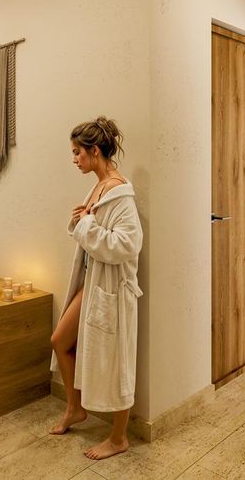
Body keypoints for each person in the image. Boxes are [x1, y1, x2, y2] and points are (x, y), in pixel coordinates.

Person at [49, 116, 143, 460]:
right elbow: (89, 228)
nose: (74, 159)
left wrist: (86, 224)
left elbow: (127, 245)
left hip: (113, 289)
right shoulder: (99, 186)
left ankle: (119, 438)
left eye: (78, 152)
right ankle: (75, 408)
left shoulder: (121, 194)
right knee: (60, 341)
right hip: (93, 282)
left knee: (117, 360)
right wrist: (79, 221)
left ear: (95, 151)